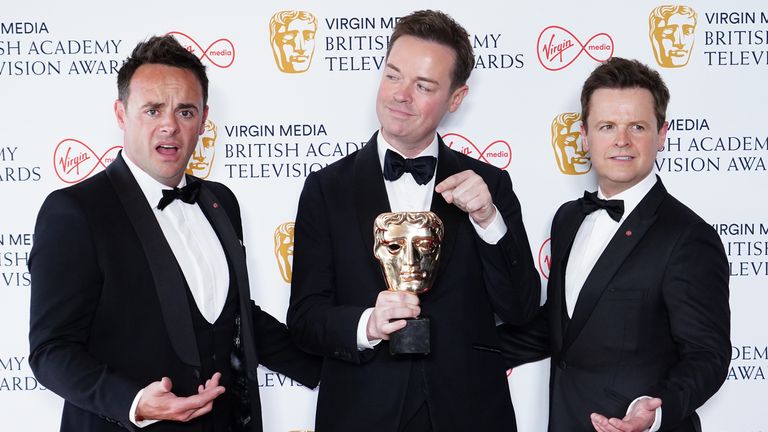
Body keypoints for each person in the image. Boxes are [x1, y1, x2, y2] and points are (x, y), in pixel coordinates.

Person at [28, 35, 320, 432]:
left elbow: (236, 318)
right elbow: (51, 351)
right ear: (121, 113)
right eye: (153, 110)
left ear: (203, 119)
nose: (169, 125)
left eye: (185, 111)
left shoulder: (220, 201)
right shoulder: (76, 211)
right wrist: (134, 403)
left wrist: (338, 369)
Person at [287, 9, 540, 432]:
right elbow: (306, 320)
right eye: (393, 75)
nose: (401, 95)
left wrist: (487, 219)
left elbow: (521, 308)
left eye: (423, 86)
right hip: (360, 411)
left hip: (471, 412)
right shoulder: (326, 189)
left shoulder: (490, 185)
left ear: (456, 98)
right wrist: (367, 323)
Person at [499, 57, 730, 432]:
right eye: (607, 126)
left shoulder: (688, 236)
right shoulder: (568, 218)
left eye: (637, 126)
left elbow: (707, 356)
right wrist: (462, 346)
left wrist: (654, 411)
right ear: (585, 135)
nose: (621, 140)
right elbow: (561, 328)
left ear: (661, 134)